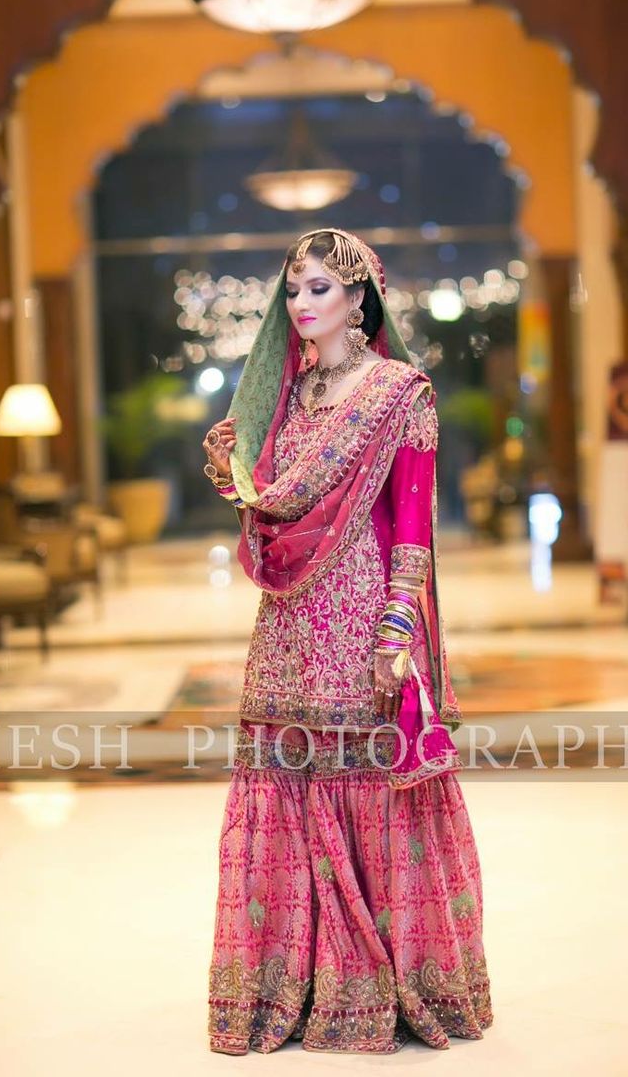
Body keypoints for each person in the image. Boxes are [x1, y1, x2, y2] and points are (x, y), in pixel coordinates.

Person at [201, 228, 492, 1055]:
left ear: (359, 298)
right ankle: (286, 987)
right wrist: (234, 474)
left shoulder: (402, 394)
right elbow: (272, 507)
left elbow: (411, 531)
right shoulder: (285, 401)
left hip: (362, 614)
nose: (301, 305)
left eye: (320, 288)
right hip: (288, 624)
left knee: (366, 787)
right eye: (293, 289)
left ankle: (379, 986)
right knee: (285, 781)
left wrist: (397, 627)